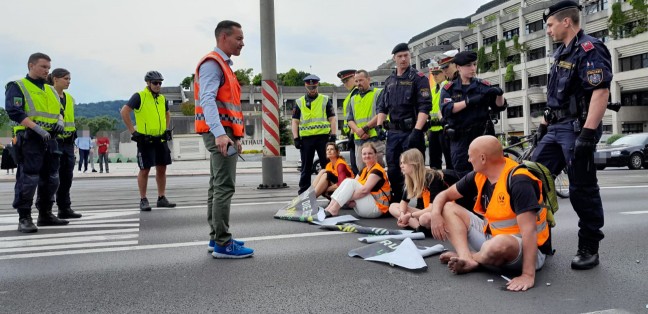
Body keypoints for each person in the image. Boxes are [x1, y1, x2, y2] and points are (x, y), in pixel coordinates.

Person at [532, 1, 611, 270]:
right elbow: (557, 97)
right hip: (555, 128)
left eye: (550, 25)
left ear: (567, 22)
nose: (548, 31)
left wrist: (588, 134)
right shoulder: (560, 53)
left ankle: (589, 246)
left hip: (577, 129)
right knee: (532, 178)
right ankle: (540, 239)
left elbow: (600, 92)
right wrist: (543, 124)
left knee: (582, 189)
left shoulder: (590, 48)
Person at [428, 136, 551, 292]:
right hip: (492, 238)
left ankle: (471, 257)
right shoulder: (479, 175)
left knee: (498, 244)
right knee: (447, 208)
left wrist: (527, 275)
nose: (468, 159)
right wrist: (435, 214)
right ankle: (468, 257)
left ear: (483, 158)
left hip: (524, 249)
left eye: (470, 155)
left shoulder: (519, 181)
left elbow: (529, 232)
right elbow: (444, 195)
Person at [194, 20, 253, 258]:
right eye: (238, 38)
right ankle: (222, 242)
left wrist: (235, 136)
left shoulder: (223, 65)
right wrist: (220, 134)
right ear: (223, 38)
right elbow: (208, 100)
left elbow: (227, 106)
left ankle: (216, 237)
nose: (242, 43)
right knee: (224, 186)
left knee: (216, 185)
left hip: (225, 133)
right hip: (219, 133)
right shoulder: (213, 63)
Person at [5, 52, 69, 233]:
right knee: (29, 178)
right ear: (31, 66)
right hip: (30, 139)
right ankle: (24, 217)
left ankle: (46, 213)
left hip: (51, 140)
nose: (46, 71)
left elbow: (60, 110)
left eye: (48, 68)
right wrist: (36, 128)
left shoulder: (50, 90)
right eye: (43, 67)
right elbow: (15, 112)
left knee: (52, 178)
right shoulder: (18, 86)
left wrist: (60, 122)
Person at [376, 43, 431, 204]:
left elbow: (425, 106)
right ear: (394, 58)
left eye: (406, 55)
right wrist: (379, 126)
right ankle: (399, 201)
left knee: (414, 168)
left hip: (411, 130)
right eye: (399, 56)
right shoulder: (390, 81)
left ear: (410, 56)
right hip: (393, 133)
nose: (403, 59)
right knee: (393, 168)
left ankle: (421, 203)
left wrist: (417, 131)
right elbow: (382, 106)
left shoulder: (419, 79)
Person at [440, 51, 508, 177]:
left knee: (490, 174)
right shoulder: (449, 89)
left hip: (482, 136)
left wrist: (499, 94)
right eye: (468, 65)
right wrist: (468, 102)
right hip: (461, 139)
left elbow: (499, 107)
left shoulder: (482, 85)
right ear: (458, 67)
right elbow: (447, 109)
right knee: (464, 177)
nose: (472, 68)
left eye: (474, 64)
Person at [120, 70, 176, 211]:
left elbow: (167, 113)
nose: (158, 85)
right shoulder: (139, 96)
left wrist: (166, 129)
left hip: (160, 139)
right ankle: (143, 199)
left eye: (160, 83)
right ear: (148, 83)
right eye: (155, 83)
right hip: (145, 140)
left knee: (162, 168)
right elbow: (124, 111)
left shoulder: (162, 98)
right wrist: (133, 131)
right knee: (144, 170)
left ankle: (161, 198)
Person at [388, 148, 465, 232]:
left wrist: (410, 215)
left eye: (404, 163)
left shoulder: (433, 177)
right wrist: (402, 214)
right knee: (393, 207)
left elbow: (433, 208)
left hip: (441, 212)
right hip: (424, 210)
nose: (401, 166)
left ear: (414, 164)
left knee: (424, 218)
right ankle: (419, 228)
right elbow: (404, 202)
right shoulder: (410, 180)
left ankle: (424, 226)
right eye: (401, 163)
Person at [292, 74, 337, 195]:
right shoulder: (299, 102)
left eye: (314, 87)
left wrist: (333, 135)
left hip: (323, 138)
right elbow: (295, 122)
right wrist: (296, 138)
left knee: (327, 166)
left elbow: (332, 118)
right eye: (310, 87)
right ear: (306, 87)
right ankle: (303, 194)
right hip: (306, 139)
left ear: (318, 86)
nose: (313, 90)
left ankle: (332, 192)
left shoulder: (325, 100)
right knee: (306, 167)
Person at [323, 142, 391, 218]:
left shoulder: (377, 171)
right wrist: (346, 197)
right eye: (364, 154)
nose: (367, 156)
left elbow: (364, 191)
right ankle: (330, 208)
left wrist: (346, 198)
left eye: (370, 153)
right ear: (361, 156)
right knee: (347, 181)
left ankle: (334, 209)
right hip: (365, 206)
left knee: (351, 182)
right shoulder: (364, 170)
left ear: (375, 155)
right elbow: (351, 188)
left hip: (377, 208)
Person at [48, 68, 82, 219]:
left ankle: (64, 207)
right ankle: (47, 210)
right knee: (52, 177)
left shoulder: (69, 98)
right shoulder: (48, 94)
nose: (68, 82)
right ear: (55, 79)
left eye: (69, 79)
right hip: (54, 140)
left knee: (67, 177)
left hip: (68, 141)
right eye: (66, 79)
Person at [347, 70, 385, 170]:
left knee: (378, 170)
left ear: (368, 79)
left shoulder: (378, 93)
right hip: (359, 141)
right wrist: (359, 131)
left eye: (361, 80)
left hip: (375, 139)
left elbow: (381, 114)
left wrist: (364, 129)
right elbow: (350, 119)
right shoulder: (353, 99)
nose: (358, 83)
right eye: (356, 81)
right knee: (362, 171)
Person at [337, 69, 359, 175]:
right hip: (354, 135)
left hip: (356, 134)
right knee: (355, 166)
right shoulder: (351, 95)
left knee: (357, 167)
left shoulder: (356, 94)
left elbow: (354, 117)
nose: (345, 84)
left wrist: (351, 135)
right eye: (343, 82)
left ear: (355, 78)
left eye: (347, 80)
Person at [427, 61, 448, 170]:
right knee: (434, 161)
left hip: (444, 128)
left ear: (444, 72)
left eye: (437, 73)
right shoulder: (432, 90)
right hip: (433, 129)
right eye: (433, 74)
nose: (435, 76)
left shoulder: (448, 87)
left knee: (449, 159)